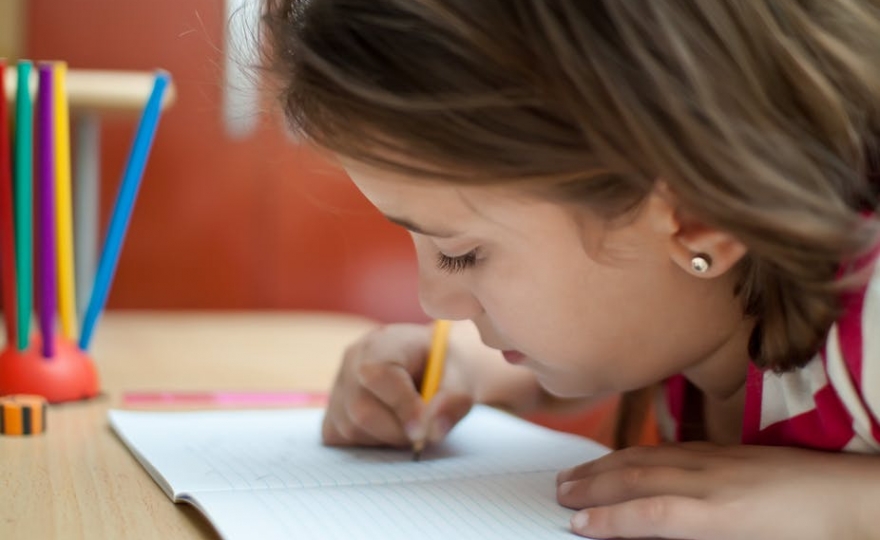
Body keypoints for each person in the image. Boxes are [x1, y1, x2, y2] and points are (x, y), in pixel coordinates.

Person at [262, 1, 880, 538]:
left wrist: (853, 511)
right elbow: (608, 329)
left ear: (697, 216)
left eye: (462, 252)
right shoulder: (678, 304)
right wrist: (467, 370)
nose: (435, 302)